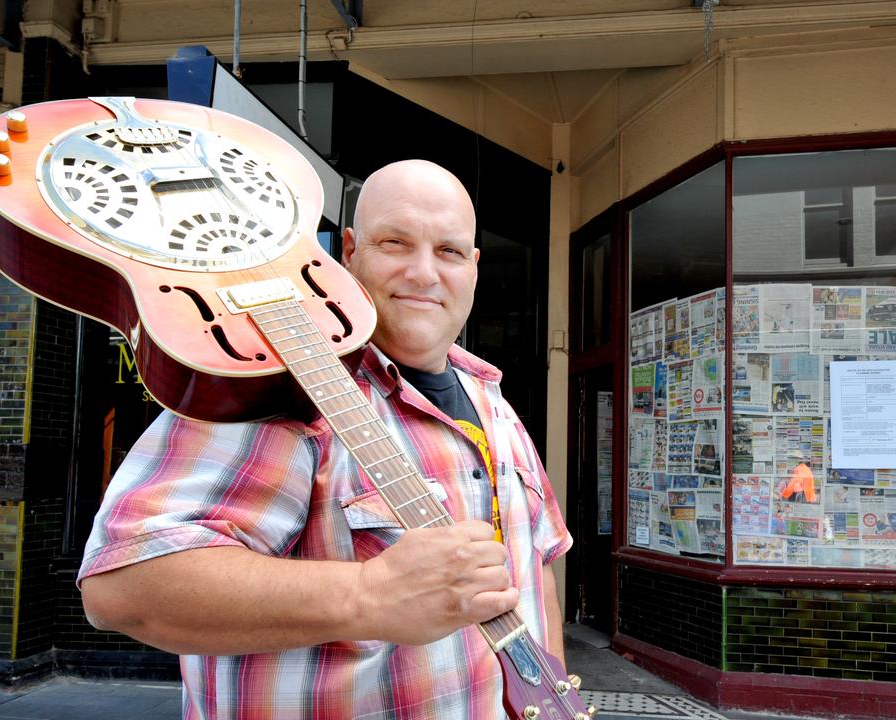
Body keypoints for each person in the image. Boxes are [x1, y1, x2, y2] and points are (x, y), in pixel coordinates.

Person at [78, 160, 573, 719]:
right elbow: (122, 587)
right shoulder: (275, 388)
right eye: (396, 243)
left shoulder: (494, 403)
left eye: (450, 252)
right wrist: (366, 594)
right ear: (351, 252)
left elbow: (538, 572)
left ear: (475, 267)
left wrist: (553, 698)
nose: (423, 273)